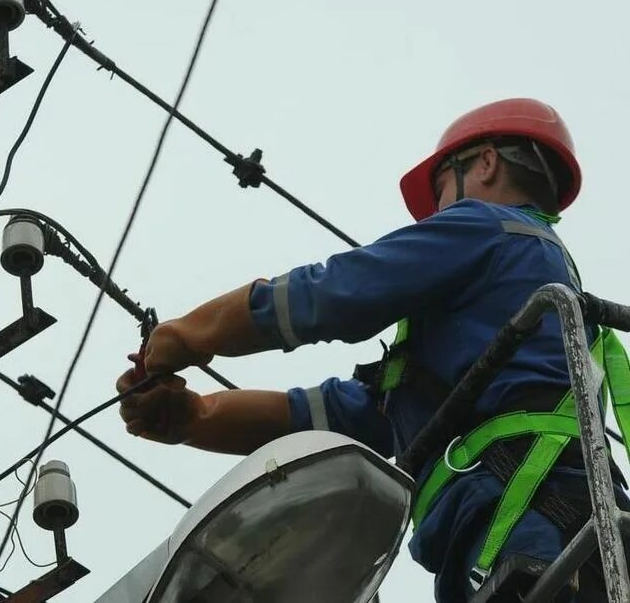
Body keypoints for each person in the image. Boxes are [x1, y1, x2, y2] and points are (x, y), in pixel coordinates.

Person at [116, 98, 630, 602]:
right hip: (531, 523)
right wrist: (196, 417)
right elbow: (335, 418)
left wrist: (189, 335)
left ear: (487, 162)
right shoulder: (499, 306)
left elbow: (335, 293)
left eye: (441, 193)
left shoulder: (485, 228)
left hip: (528, 514)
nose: (440, 213)